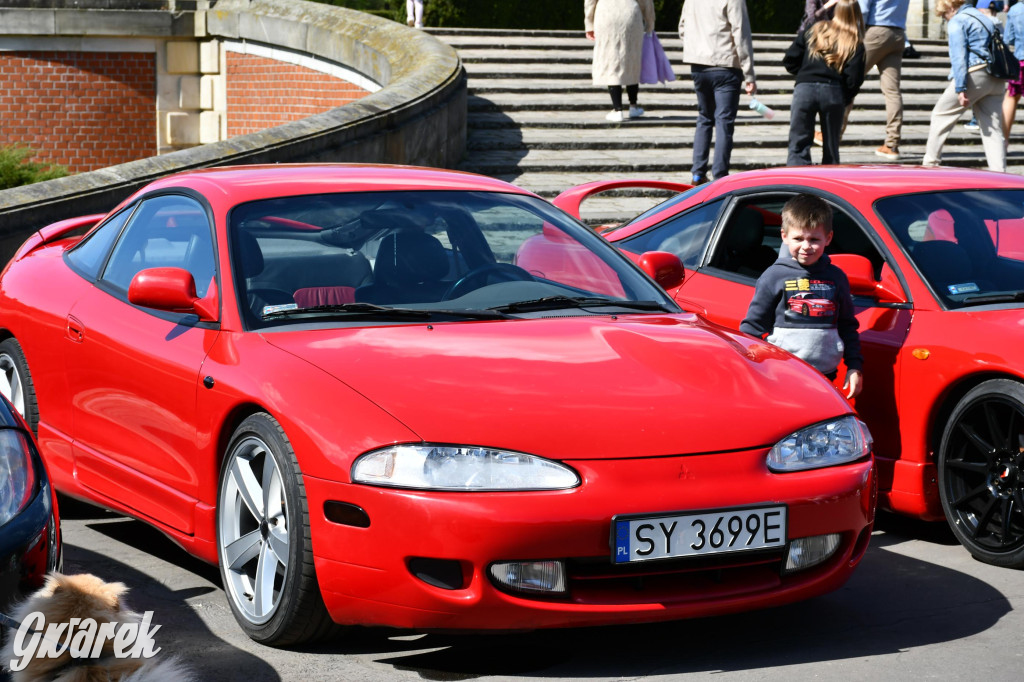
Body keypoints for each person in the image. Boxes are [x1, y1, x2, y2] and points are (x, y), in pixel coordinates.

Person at [740, 194, 863, 399]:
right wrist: (750, 367)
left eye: (814, 239)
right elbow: (751, 328)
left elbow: (847, 326)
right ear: (784, 236)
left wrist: (854, 367)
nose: (806, 246)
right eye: (798, 239)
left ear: (828, 238)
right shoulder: (774, 276)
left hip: (825, 375)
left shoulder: (837, 277)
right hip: (782, 373)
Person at [923, 0, 1008, 172]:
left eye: (944, 15)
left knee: (940, 114)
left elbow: (958, 57)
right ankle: (1000, 173)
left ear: (951, 8)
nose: (946, 19)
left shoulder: (958, 20)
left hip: (974, 74)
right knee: (992, 128)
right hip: (996, 77)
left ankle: (930, 164)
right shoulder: (985, 18)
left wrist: (960, 88)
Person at [679, 0, 756, 185]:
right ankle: (720, 174)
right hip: (725, 64)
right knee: (724, 121)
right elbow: (741, 33)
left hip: (698, 65)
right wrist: (749, 74)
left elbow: (682, 28)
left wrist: (696, 46)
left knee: (704, 117)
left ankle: (698, 173)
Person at [785, 0, 866, 165]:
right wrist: (844, 97)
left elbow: (790, 60)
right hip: (833, 92)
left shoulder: (815, 29)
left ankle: (796, 180)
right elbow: (854, 79)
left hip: (804, 89)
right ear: (856, 15)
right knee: (831, 146)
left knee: (798, 145)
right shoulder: (855, 41)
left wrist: (805, 73)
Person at [849, 0, 910, 160]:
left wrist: (855, 33)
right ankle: (892, 144)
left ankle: (831, 134)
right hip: (898, 33)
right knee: (892, 91)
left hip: (875, 30)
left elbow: (862, 9)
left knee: (848, 81)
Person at [585, 0, 656, 123]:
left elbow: (590, 1)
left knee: (611, 59)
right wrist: (650, 22)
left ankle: (617, 109)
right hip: (630, 13)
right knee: (632, 59)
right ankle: (633, 106)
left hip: (606, 14)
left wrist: (589, 24)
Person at [1003, 0, 1024, 139]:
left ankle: (1003, 142)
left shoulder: (1016, 9)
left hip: (1021, 60)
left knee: (1011, 97)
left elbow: (1008, 39)